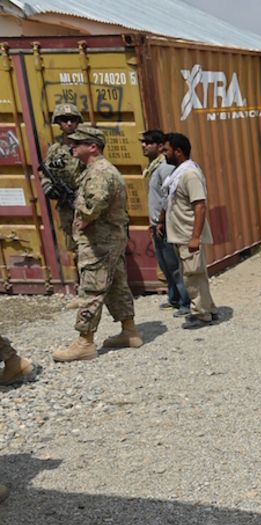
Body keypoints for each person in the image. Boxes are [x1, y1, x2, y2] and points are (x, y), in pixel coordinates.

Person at [51, 125, 141, 362]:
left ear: (93, 147)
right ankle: (129, 331)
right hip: (111, 239)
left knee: (91, 288)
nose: (73, 147)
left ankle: (85, 342)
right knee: (116, 284)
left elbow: (96, 202)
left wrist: (83, 218)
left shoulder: (99, 172)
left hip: (99, 240)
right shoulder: (96, 169)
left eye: (78, 143)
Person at [161, 132, 217, 328]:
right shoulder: (177, 174)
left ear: (178, 151)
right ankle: (208, 309)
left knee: (193, 275)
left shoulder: (190, 174)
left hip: (188, 234)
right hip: (181, 233)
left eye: (166, 149)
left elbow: (200, 205)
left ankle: (201, 314)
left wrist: (195, 237)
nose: (163, 153)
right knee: (195, 273)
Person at [141, 129, 188, 317]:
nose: (144, 145)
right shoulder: (154, 167)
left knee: (174, 266)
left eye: (148, 142)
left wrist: (160, 221)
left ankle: (185, 302)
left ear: (160, 146)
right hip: (157, 224)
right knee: (166, 265)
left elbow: (168, 197)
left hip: (165, 224)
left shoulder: (165, 167)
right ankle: (174, 298)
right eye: (142, 142)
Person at [40, 103, 85, 265]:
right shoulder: (55, 149)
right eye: (64, 120)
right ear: (58, 123)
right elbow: (46, 171)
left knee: (89, 243)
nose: (69, 123)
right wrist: (48, 188)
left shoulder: (85, 145)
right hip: (66, 204)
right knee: (72, 243)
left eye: (72, 119)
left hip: (85, 201)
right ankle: (80, 281)